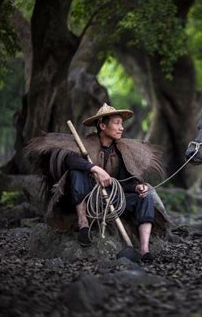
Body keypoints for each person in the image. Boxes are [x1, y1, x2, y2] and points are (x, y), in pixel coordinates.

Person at [65, 104, 158, 261]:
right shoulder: (87, 143)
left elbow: (122, 183)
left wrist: (136, 187)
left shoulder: (120, 151)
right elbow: (69, 160)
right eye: (116, 123)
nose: (121, 128)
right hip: (89, 199)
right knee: (76, 172)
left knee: (145, 196)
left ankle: (144, 250)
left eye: (122, 123)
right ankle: (83, 224)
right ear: (102, 125)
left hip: (111, 198)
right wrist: (95, 168)